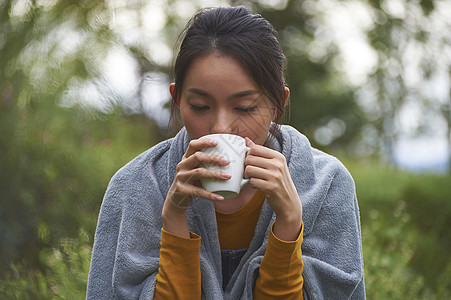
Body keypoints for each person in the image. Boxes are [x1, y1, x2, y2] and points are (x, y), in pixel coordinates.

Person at [86, 6, 366, 300]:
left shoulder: (326, 185)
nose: (220, 127)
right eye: (200, 106)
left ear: (277, 104)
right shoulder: (136, 186)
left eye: (245, 108)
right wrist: (174, 220)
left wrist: (288, 224)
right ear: (177, 100)